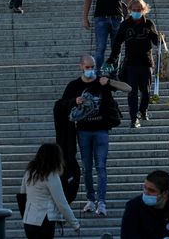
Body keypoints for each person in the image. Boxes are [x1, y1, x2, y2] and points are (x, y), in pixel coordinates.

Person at [60, 55, 130, 217]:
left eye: (93, 67)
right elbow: (61, 104)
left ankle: (102, 201)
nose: (91, 70)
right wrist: (73, 101)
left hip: (101, 130)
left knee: (101, 166)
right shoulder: (74, 85)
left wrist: (110, 82)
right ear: (81, 67)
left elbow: (128, 88)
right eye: (88, 67)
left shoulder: (101, 82)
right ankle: (91, 199)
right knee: (87, 167)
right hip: (83, 131)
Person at [106, 0, 159, 128]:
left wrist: (160, 38)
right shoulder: (125, 25)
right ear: (130, 10)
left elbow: (156, 41)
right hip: (131, 63)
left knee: (146, 92)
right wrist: (111, 59)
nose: (136, 11)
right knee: (132, 92)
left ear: (144, 9)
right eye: (134, 9)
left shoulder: (148, 23)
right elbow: (117, 43)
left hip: (146, 62)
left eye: (139, 9)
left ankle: (143, 110)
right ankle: (134, 118)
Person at [82, 0, 132, 71]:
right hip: (100, 17)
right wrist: (85, 17)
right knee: (100, 47)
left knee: (117, 48)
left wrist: (131, 15)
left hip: (117, 16)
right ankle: (98, 74)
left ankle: (114, 72)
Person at [19, 143, 80, 239]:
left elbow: (22, 194)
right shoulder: (51, 176)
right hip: (44, 221)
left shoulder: (29, 173)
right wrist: (75, 223)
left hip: (28, 221)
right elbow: (61, 202)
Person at [120, 170, 169, 239]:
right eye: (145, 188)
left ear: (165, 193)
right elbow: (127, 236)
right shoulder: (133, 206)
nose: (146, 192)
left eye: (151, 190)